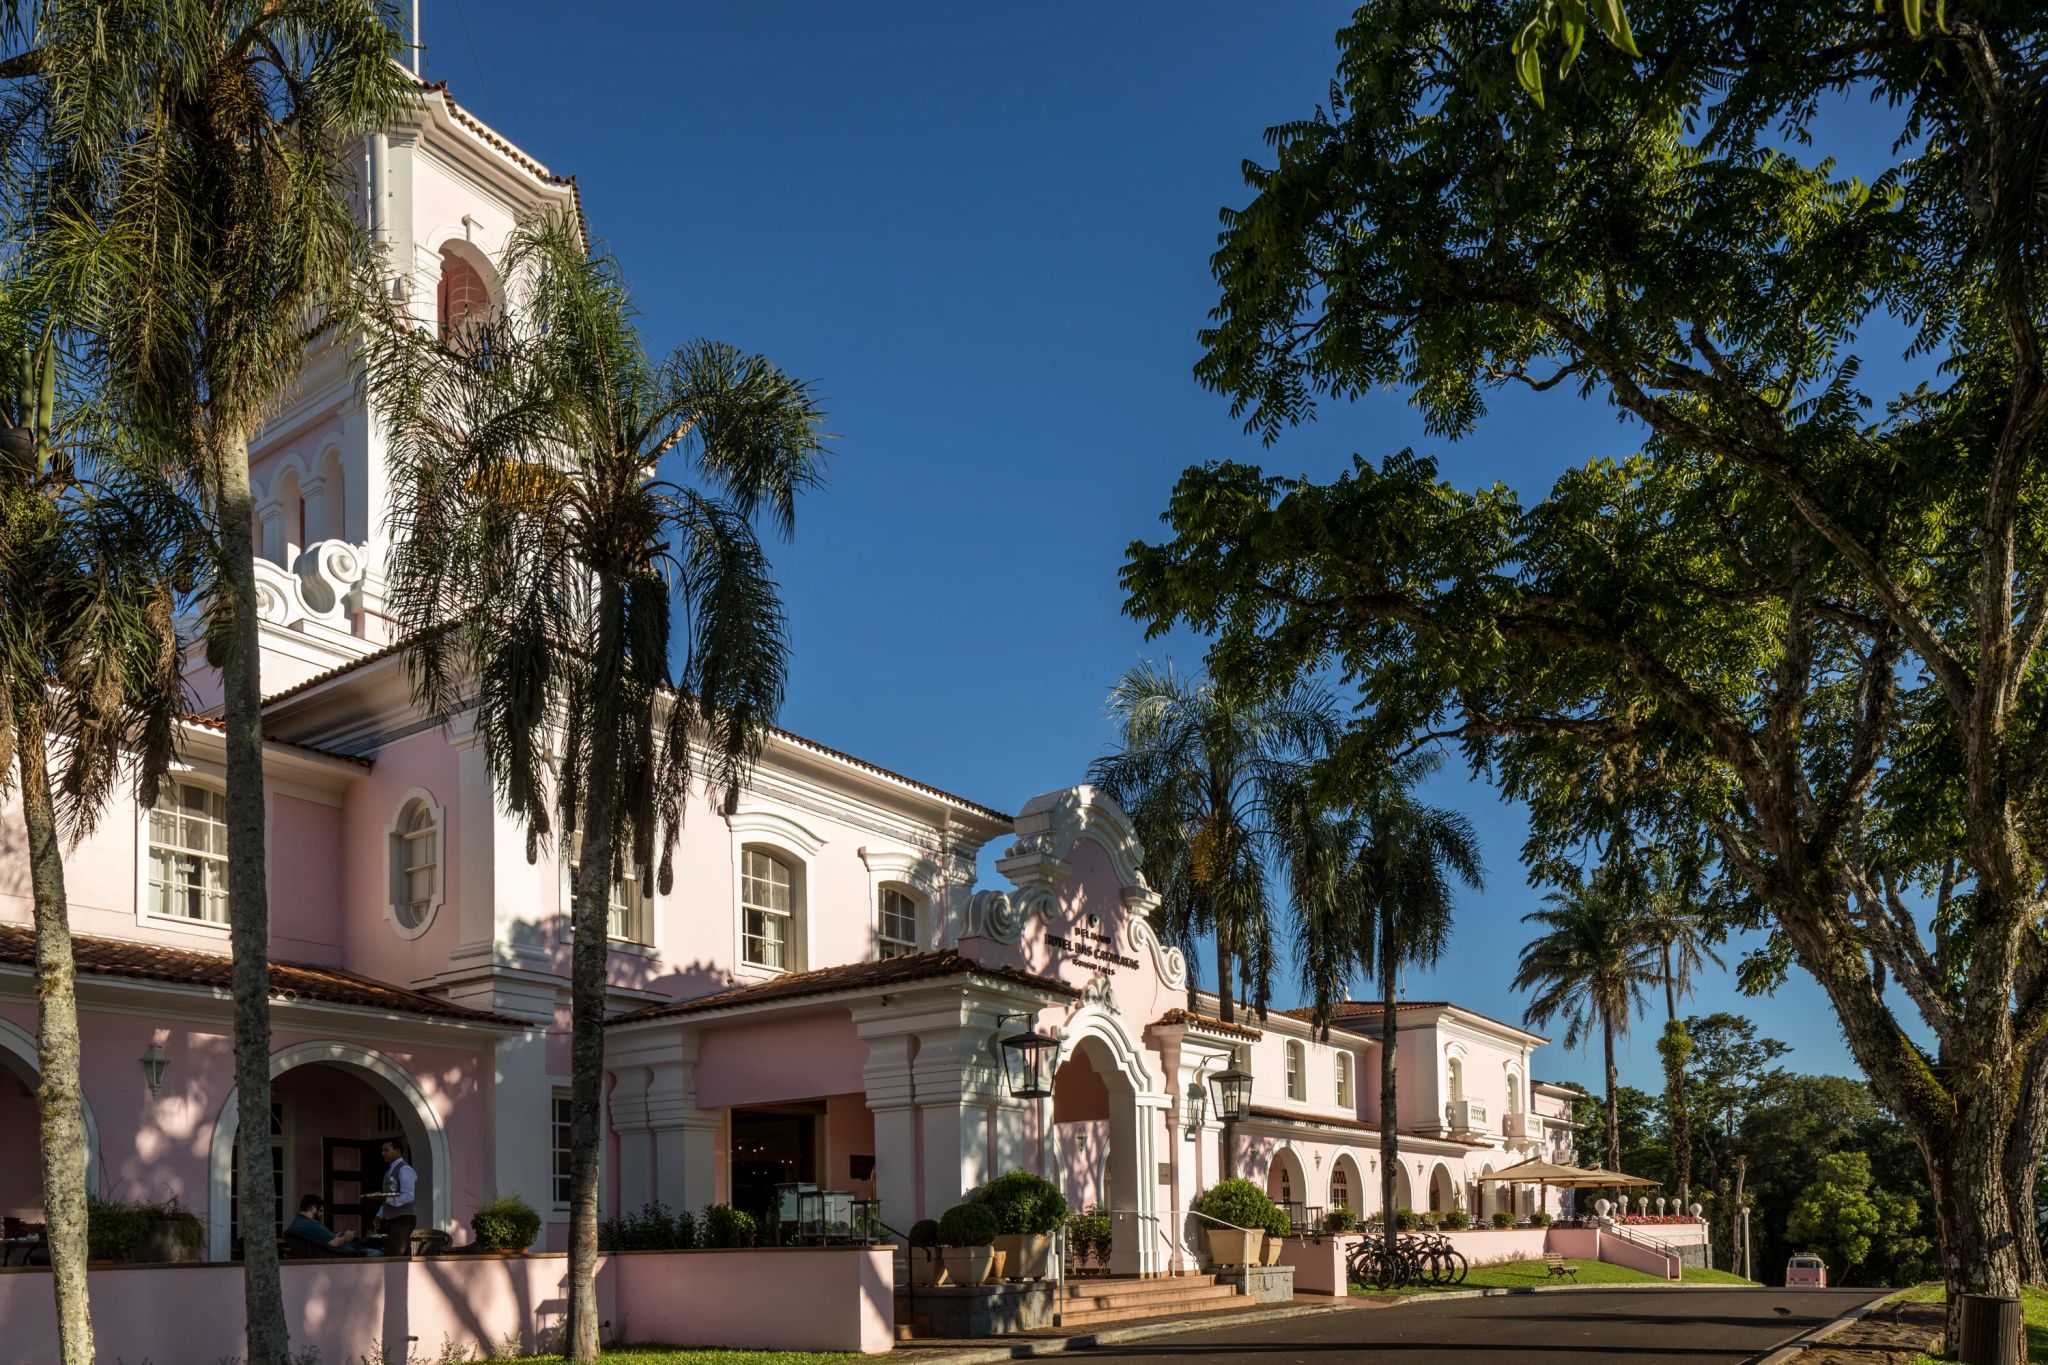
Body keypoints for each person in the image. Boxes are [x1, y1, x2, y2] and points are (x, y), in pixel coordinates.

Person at [366, 1136, 418, 1254]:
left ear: (398, 1151)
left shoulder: (404, 1169)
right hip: (393, 1218)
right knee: (401, 1255)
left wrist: (386, 1198)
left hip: (403, 1218)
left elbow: (408, 1196)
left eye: (386, 1150)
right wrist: (379, 1215)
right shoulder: (389, 1171)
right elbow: (389, 1196)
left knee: (393, 1254)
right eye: (383, 1150)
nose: (383, 1153)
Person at [285, 1195, 379, 1257]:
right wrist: (347, 1237)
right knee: (379, 1252)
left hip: (331, 1252)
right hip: (342, 1255)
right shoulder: (311, 1224)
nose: (321, 1214)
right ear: (313, 1209)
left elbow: (321, 1240)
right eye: (320, 1211)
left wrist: (334, 1235)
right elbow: (334, 1243)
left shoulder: (297, 1222)